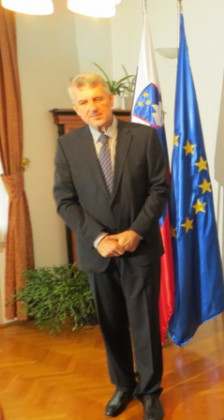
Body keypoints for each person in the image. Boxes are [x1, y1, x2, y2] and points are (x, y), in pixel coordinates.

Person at [53, 73, 168, 420]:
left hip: (140, 247)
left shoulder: (145, 137)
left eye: (98, 99)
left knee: (145, 324)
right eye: (84, 102)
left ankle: (150, 391)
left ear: (111, 100)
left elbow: (159, 190)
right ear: (76, 108)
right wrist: (100, 239)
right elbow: (64, 201)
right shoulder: (67, 146)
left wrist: (135, 232)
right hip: (98, 252)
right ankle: (123, 386)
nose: (93, 107)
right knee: (112, 323)